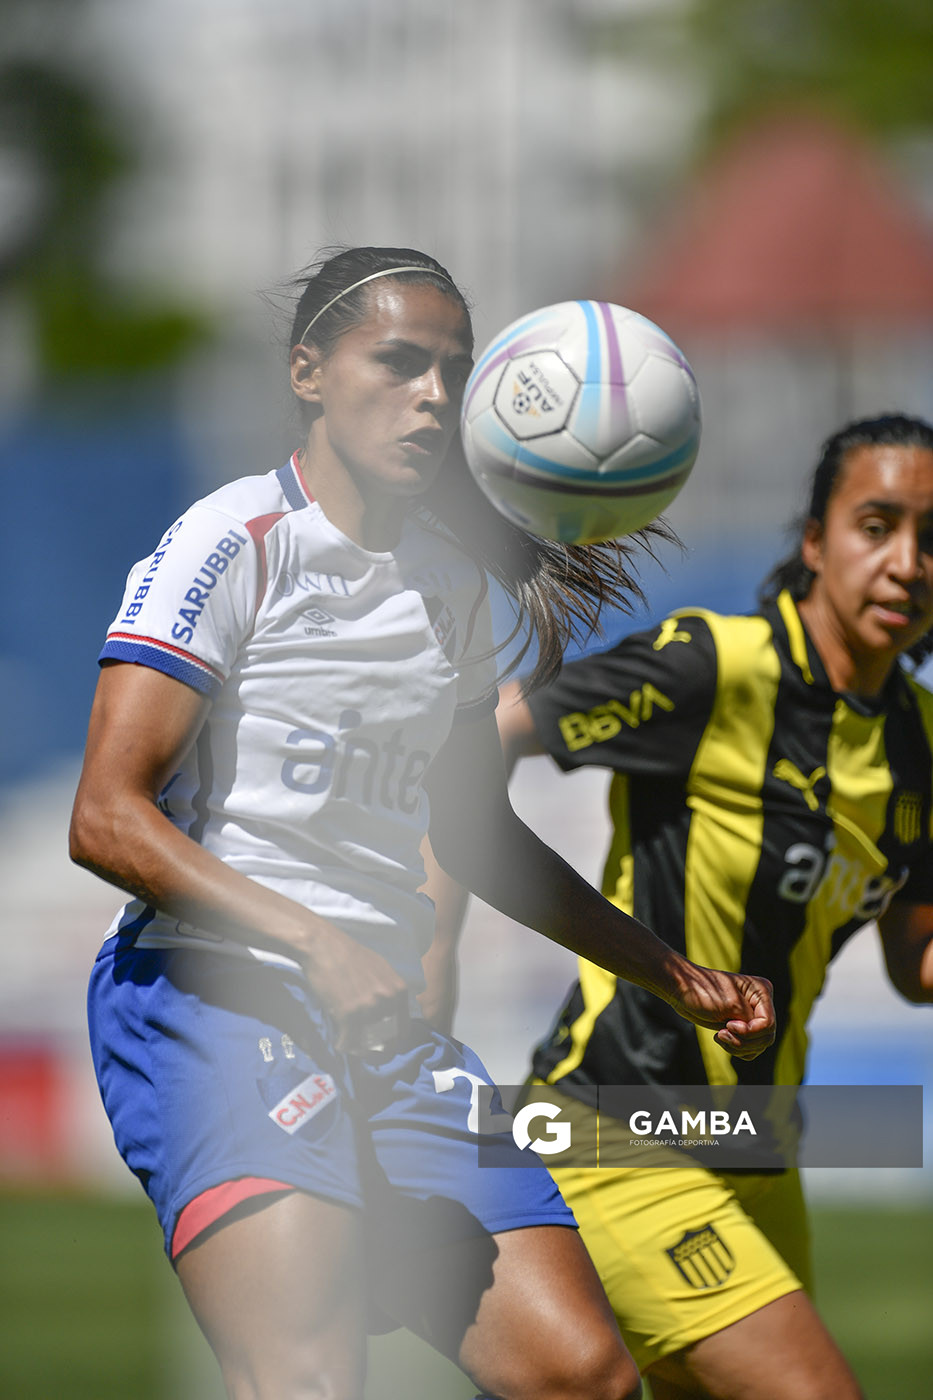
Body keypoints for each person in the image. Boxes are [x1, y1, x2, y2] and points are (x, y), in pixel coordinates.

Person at [69, 246, 776, 1400]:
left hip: (383, 1029)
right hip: (215, 998)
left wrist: (669, 970)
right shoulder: (233, 540)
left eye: (452, 369)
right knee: (309, 1374)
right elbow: (104, 816)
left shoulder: (448, 587)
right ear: (308, 370)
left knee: (583, 1372)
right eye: (399, 360)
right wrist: (311, 938)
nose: (435, 394)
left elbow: (473, 832)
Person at [433, 413, 933, 1400]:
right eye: (876, 524)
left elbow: (913, 960)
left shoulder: (914, 741)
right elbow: (475, 754)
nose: (908, 561)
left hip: (757, 1146)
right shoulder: (715, 665)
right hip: (617, 1128)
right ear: (813, 540)